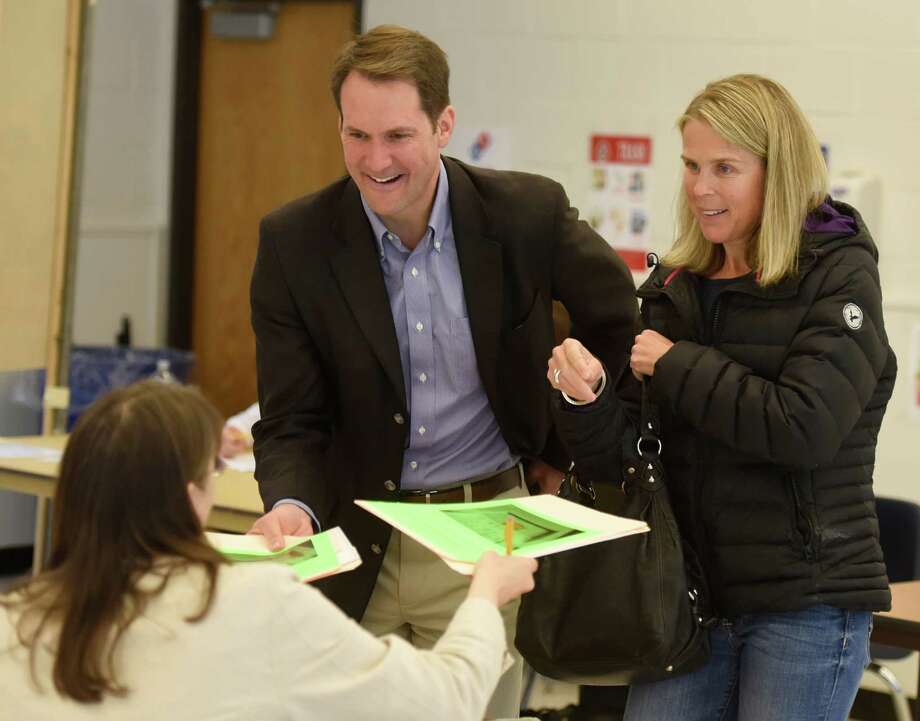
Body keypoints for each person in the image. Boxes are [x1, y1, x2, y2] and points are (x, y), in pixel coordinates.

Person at [248, 24, 637, 717]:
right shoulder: (293, 243)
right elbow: (290, 418)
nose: (375, 160)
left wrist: (565, 442)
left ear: (444, 125)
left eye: (397, 135)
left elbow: (617, 321)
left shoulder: (525, 215)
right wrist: (289, 506)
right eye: (356, 135)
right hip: (352, 542)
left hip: (479, 544)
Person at [546, 74, 897, 721]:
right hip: (688, 597)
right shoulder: (675, 286)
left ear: (777, 171)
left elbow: (807, 427)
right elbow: (623, 460)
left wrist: (681, 365)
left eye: (725, 168)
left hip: (805, 603)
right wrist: (587, 399)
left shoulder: (838, 271)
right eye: (691, 165)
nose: (700, 186)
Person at [0, 381, 538, 721]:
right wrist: (485, 597)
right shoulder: (253, 601)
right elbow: (443, 702)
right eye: (213, 472)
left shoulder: (14, 620)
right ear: (190, 498)